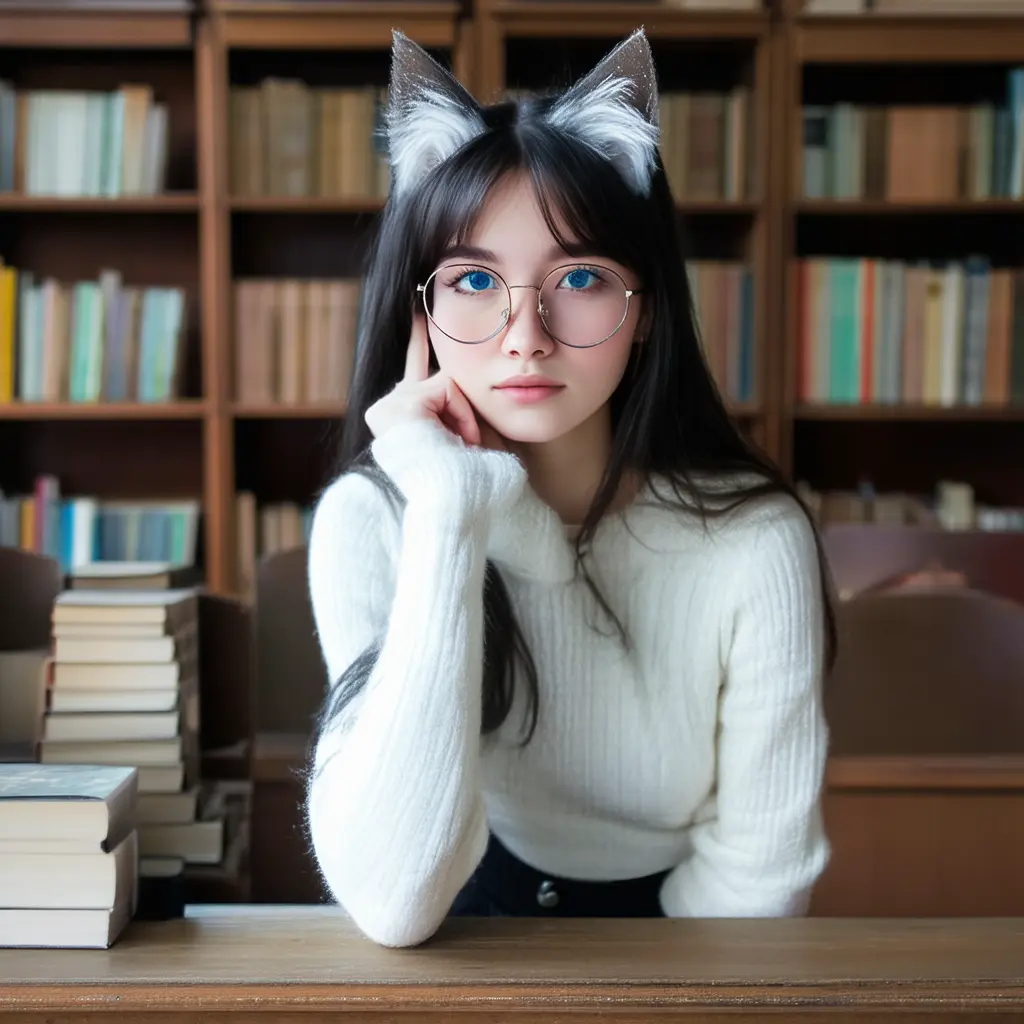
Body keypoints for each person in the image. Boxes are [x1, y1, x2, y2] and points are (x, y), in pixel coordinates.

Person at [303, 27, 835, 949]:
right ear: (418, 310)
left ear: (647, 311)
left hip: (694, 955)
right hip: (458, 948)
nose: (526, 336)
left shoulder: (755, 540)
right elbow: (393, 901)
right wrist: (448, 515)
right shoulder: (373, 519)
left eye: (581, 276)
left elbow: (762, 879)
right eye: (474, 279)